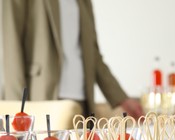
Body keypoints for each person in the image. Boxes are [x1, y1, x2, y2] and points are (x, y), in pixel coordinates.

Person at [2, 0, 143, 119]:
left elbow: (93, 55)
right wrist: (18, 109)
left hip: (82, 100)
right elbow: (10, 47)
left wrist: (121, 98)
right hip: (41, 97)